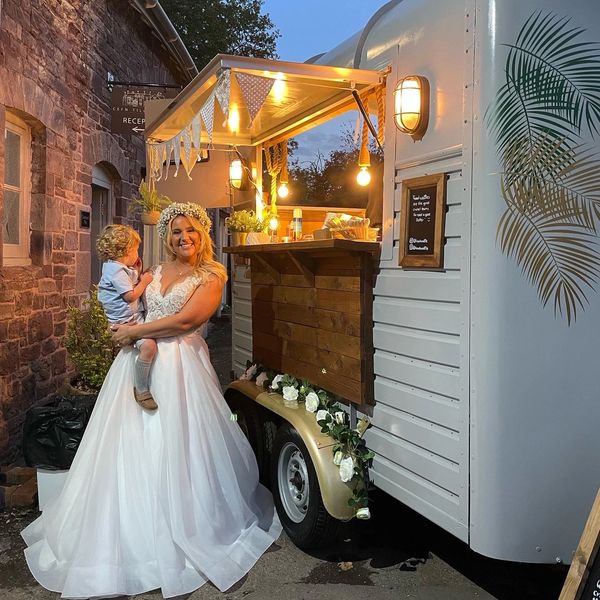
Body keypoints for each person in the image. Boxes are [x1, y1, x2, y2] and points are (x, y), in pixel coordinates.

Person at [22, 202, 282, 598]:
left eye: (191, 230)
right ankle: (125, 535)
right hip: (139, 361)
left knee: (181, 446)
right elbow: (125, 298)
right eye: (176, 232)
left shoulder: (212, 274)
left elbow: (186, 321)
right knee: (124, 448)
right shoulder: (155, 272)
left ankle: (194, 526)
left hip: (182, 368)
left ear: (203, 234)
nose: (184, 238)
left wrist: (135, 332)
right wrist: (123, 328)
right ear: (167, 238)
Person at [96, 224, 158, 410]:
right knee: (149, 346)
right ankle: (141, 388)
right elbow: (130, 295)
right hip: (126, 322)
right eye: (136, 250)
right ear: (126, 250)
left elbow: (127, 284)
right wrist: (145, 280)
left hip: (129, 318)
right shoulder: (116, 271)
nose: (137, 254)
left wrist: (137, 272)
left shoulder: (116, 268)